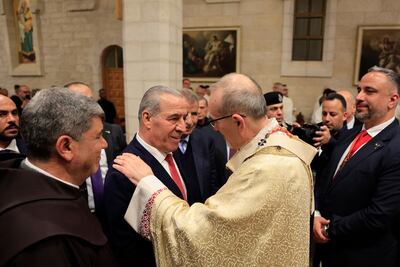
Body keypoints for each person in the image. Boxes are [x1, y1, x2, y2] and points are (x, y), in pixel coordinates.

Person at [115, 73, 317, 266]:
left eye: (215, 121)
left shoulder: (266, 168)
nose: (215, 129)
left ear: (238, 121)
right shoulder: (287, 147)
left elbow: (201, 233)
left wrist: (149, 184)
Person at [0, 88, 117, 266]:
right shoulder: (46, 244)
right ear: (66, 147)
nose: (105, 143)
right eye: (98, 136)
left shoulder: (16, 180)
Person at [313, 66, 400, 266]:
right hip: (328, 251)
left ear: (392, 100)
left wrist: (329, 228)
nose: (359, 96)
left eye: (369, 91)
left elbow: (379, 214)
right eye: (359, 89)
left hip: (363, 256)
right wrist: (317, 215)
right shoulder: (347, 135)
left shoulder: (395, 147)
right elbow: (325, 180)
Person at [103, 86, 189, 267]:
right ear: (147, 118)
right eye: (174, 118)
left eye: (184, 117)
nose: (183, 127)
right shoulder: (123, 172)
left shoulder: (175, 151)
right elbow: (126, 247)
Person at [66, 82, 126, 217]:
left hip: (115, 211)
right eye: (81, 101)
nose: (89, 107)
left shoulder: (113, 132)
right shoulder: (65, 139)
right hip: (81, 212)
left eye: (90, 101)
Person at [173, 89, 217, 202]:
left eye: (194, 114)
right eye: (184, 115)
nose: (189, 121)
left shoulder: (206, 141)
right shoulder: (162, 143)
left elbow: (213, 183)